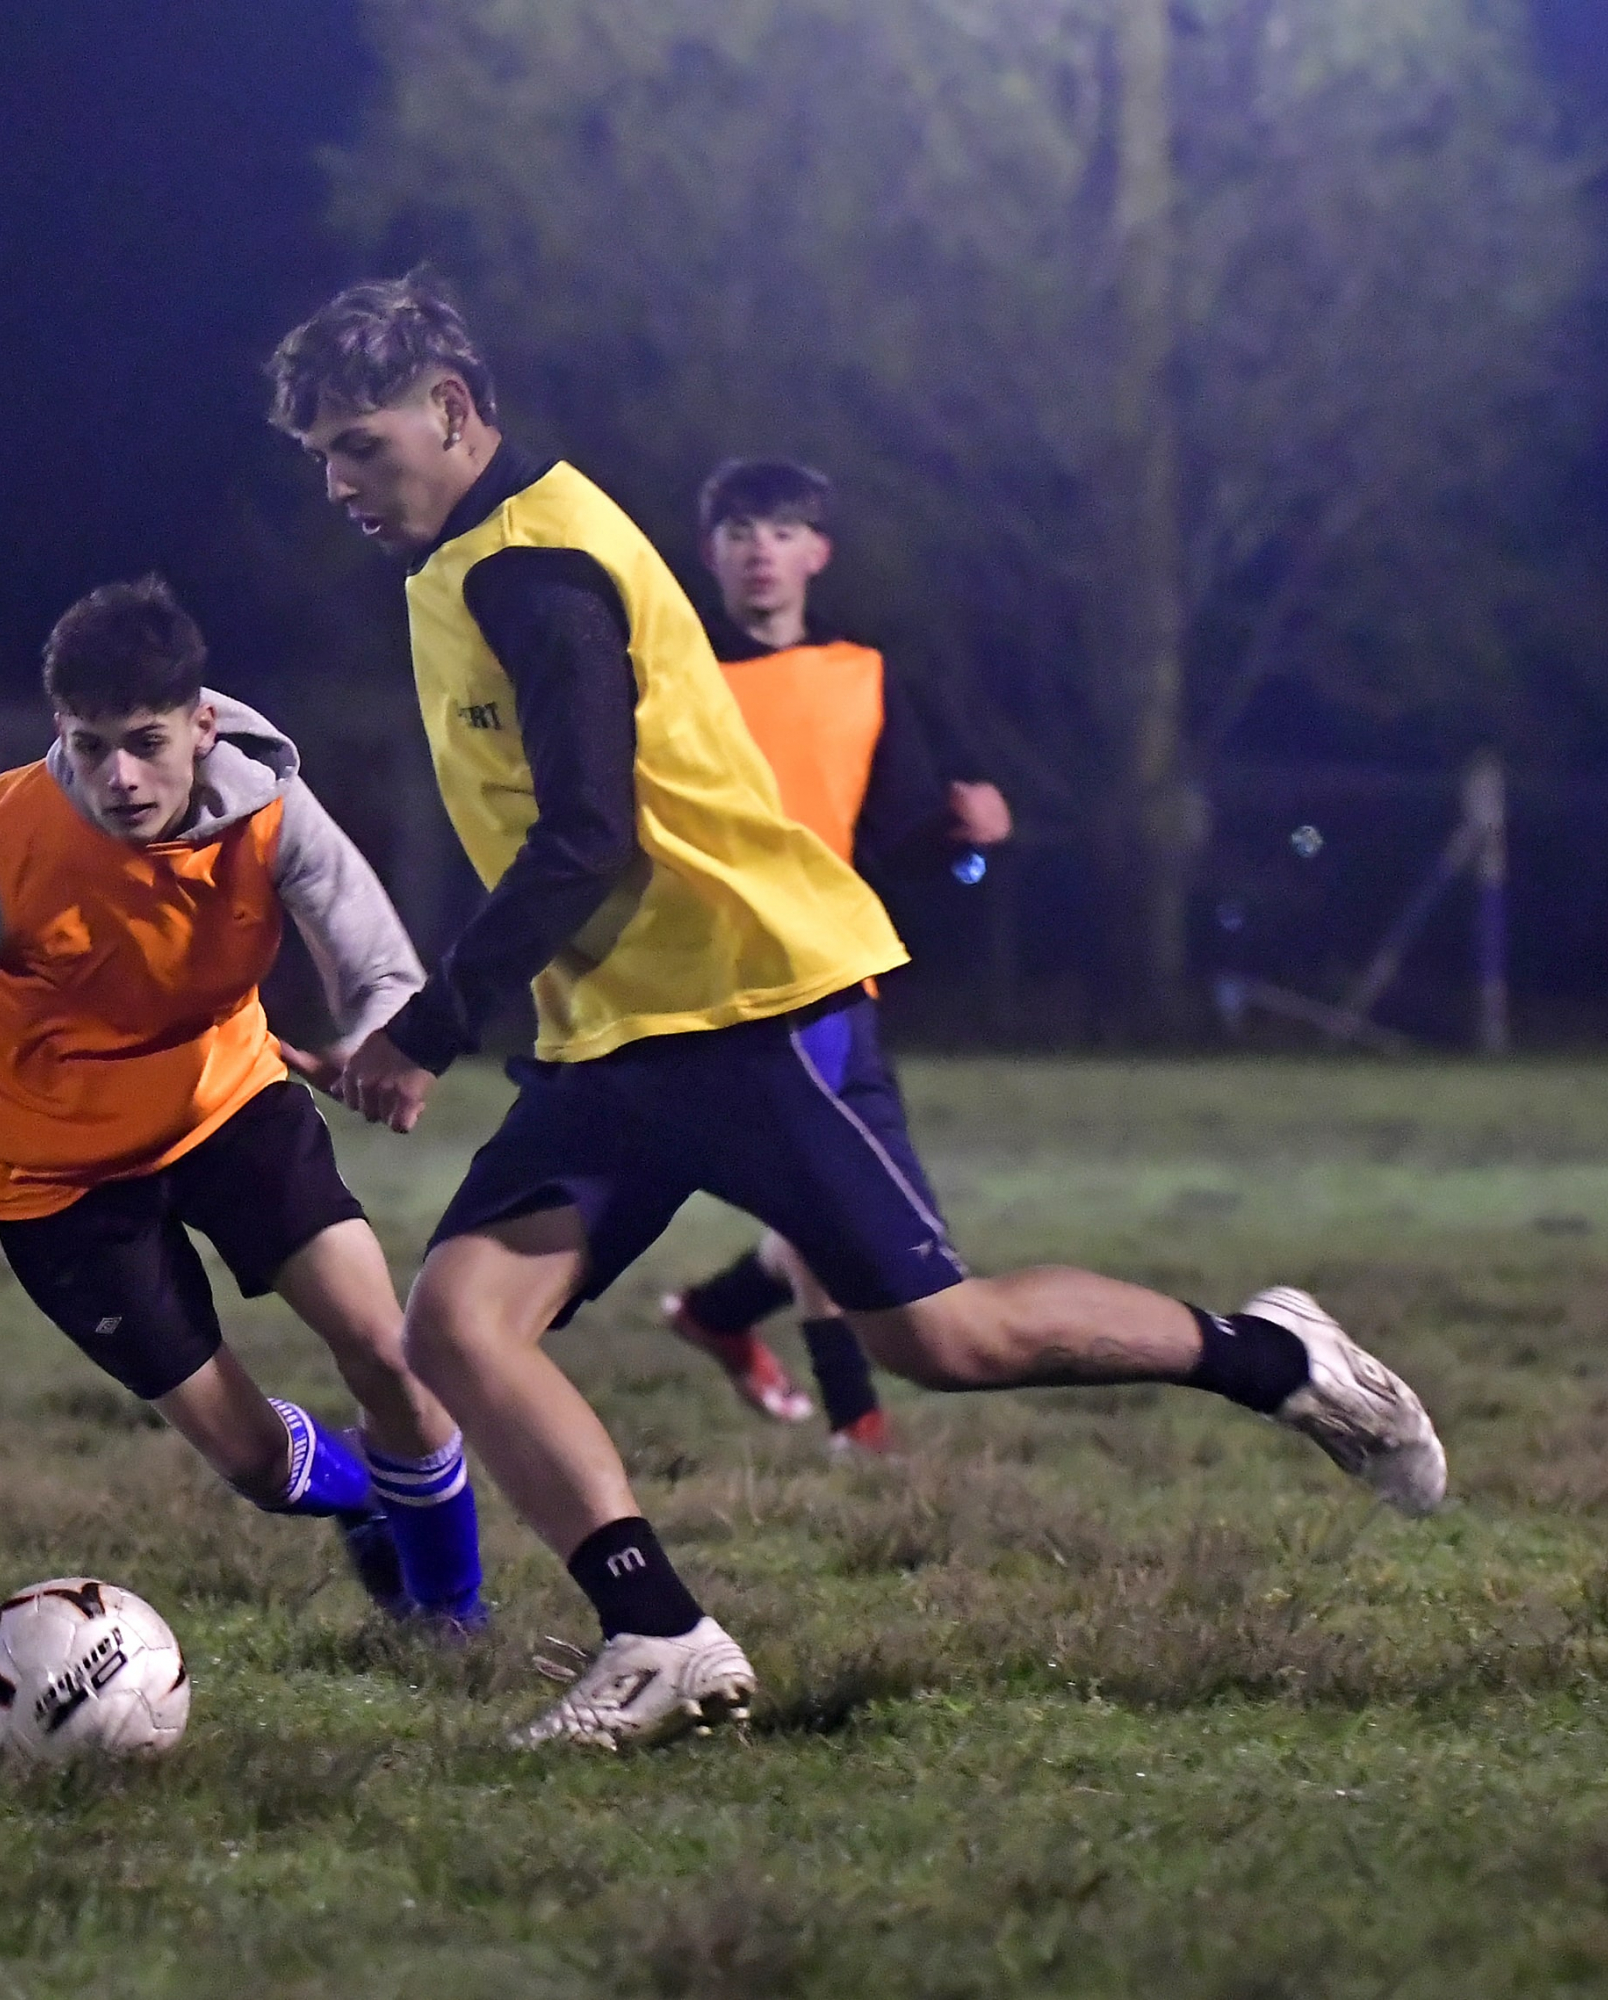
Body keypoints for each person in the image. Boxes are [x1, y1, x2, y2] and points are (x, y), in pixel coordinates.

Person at [265, 276, 1446, 1749]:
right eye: (318, 455)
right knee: (459, 1320)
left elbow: (586, 837)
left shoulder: (538, 570)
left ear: (450, 410)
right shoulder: (481, 558)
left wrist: (428, 1027)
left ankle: (1282, 1358)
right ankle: (658, 1634)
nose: (337, 482)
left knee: (939, 1341)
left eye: (358, 444)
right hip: (618, 1029)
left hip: (729, 1005)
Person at [0, 575, 484, 1629]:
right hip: (58, 1180)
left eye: (146, 742)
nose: (118, 776)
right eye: (88, 743)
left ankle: (452, 1622)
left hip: (228, 1098)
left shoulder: (268, 804)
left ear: (201, 724)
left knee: (388, 1350)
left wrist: (374, 1041)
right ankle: (358, 1501)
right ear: (58, 729)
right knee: (252, 1458)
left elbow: (376, 956)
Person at [660, 457, 1012, 1455]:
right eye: (737, 531)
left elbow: (892, 840)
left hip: (827, 979)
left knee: (834, 1193)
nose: (759, 550)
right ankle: (829, 1395)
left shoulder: (864, 675)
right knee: (831, 1194)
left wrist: (965, 835)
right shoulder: (670, 676)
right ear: (709, 552)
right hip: (701, 983)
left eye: (779, 530)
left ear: (818, 552)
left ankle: (763, 1343)